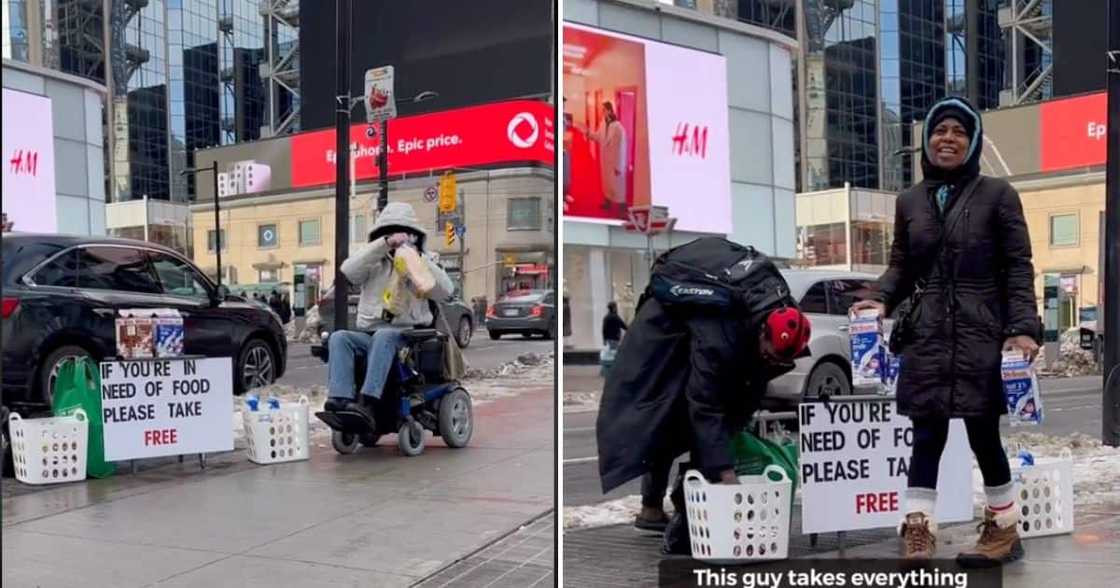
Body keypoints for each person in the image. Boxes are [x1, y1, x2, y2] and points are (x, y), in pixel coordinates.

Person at [851, 96, 1039, 565]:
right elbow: (900, 265)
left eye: (958, 131)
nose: (947, 138)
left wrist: (1022, 329)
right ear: (926, 140)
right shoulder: (909, 200)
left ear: (972, 140)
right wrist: (879, 297)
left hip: (981, 329)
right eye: (939, 130)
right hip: (928, 332)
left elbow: (1018, 267)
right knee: (926, 434)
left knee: (983, 432)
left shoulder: (998, 194)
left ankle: (1003, 529)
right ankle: (919, 531)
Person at [595, 238, 811, 545]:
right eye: (769, 353)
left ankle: (674, 509)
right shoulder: (720, 336)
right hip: (662, 346)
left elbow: (752, 380)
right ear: (762, 330)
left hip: (694, 335)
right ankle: (662, 512)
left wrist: (740, 419)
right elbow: (706, 406)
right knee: (661, 420)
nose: (771, 361)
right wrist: (724, 474)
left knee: (707, 429)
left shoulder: (778, 307)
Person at [324, 202, 454, 421]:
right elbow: (348, 271)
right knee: (339, 338)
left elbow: (445, 291)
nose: (398, 239)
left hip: (406, 336)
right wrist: (384, 245)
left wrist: (417, 258)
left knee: (385, 335)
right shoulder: (372, 261)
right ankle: (340, 399)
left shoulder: (424, 261)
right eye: (390, 233)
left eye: (403, 234)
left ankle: (368, 402)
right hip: (370, 334)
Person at [589, 101, 627, 216]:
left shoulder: (618, 128)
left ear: (610, 111)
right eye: (602, 110)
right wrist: (588, 133)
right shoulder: (603, 124)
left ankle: (622, 208)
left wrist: (618, 166)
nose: (602, 113)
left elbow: (622, 149)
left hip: (615, 161)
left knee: (618, 186)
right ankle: (608, 201)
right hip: (605, 160)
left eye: (604, 110)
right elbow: (598, 137)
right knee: (607, 182)